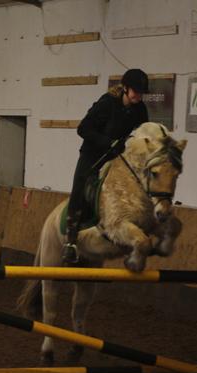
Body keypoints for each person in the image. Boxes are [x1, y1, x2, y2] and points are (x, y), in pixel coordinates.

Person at [61, 69, 149, 263]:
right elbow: (83, 128)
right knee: (79, 188)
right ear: (125, 88)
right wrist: (107, 142)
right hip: (93, 155)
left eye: (141, 93)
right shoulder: (106, 104)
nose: (139, 96)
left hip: (118, 158)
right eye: (136, 91)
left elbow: (143, 133)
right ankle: (71, 241)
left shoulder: (140, 109)